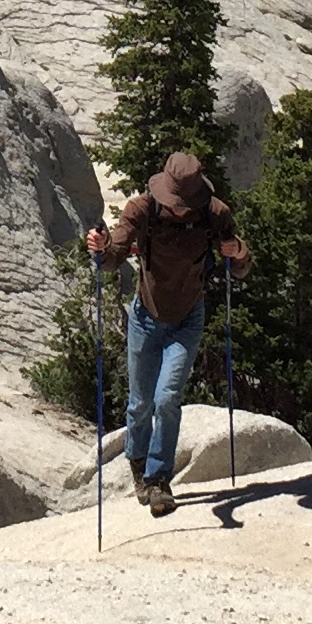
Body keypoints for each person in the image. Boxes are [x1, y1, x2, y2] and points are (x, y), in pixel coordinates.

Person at [83, 151, 247, 515]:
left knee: (167, 398)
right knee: (140, 403)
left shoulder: (215, 213)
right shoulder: (142, 209)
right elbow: (114, 257)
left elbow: (239, 266)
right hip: (145, 316)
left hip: (188, 318)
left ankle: (158, 480)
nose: (180, 210)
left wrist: (238, 251)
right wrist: (101, 249)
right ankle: (137, 460)